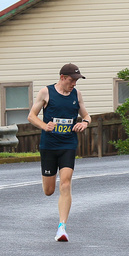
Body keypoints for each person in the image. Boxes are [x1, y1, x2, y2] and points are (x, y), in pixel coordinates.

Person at [27, 63, 91, 242]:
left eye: (76, 80)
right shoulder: (46, 92)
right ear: (62, 77)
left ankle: (62, 227)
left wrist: (84, 123)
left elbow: (87, 115)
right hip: (49, 145)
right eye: (72, 80)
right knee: (49, 190)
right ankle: (50, 187)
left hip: (68, 145)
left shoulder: (76, 95)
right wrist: (44, 126)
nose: (74, 84)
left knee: (66, 183)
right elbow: (31, 116)